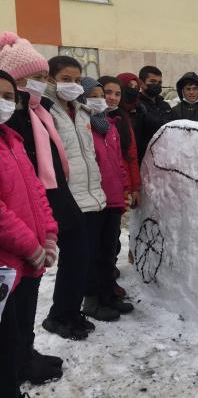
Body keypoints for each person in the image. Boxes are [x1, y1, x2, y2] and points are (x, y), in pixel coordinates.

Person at [0, 32, 70, 383]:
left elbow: (36, 186)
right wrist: (32, 245)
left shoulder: (20, 129)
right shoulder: (14, 123)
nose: (42, 84)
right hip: (11, 252)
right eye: (35, 78)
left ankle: (23, 358)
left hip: (31, 243)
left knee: (23, 312)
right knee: (9, 326)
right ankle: (17, 365)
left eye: (9, 97)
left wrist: (49, 233)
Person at [42, 56, 106, 340]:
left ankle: (70, 312)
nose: (73, 85)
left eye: (78, 80)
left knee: (82, 260)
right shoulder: (45, 111)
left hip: (89, 195)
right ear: (51, 79)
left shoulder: (81, 112)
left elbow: (88, 155)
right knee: (73, 260)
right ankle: (59, 316)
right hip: (66, 198)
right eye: (66, 79)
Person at [80, 78, 134, 322]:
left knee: (108, 252)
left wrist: (124, 188)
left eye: (105, 95)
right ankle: (92, 300)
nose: (103, 100)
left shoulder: (109, 126)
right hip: (95, 200)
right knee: (93, 253)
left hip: (112, 199)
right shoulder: (83, 127)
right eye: (95, 95)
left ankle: (108, 294)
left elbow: (119, 162)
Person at [99, 75, 141, 298]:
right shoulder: (88, 117)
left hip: (119, 186)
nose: (112, 98)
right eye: (108, 92)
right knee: (98, 241)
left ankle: (108, 277)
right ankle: (98, 288)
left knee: (112, 237)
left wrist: (134, 187)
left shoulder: (122, 120)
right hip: (96, 189)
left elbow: (131, 155)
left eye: (117, 94)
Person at [135, 65, 175, 163]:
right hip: (145, 159)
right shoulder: (137, 105)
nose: (157, 85)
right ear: (141, 83)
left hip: (165, 157)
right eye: (152, 81)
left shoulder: (165, 105)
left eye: (159, 82)